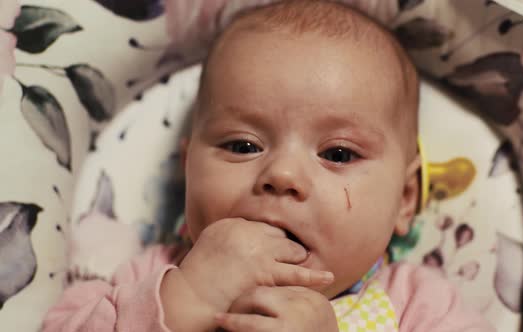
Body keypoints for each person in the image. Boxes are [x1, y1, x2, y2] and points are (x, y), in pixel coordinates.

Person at [43, 1, 495, 331]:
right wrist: (185, 301)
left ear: (404, 198)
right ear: (187, 170)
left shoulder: (421, 307)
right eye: (242, 145)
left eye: (337, 154)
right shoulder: (150, 278)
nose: (282, 175)